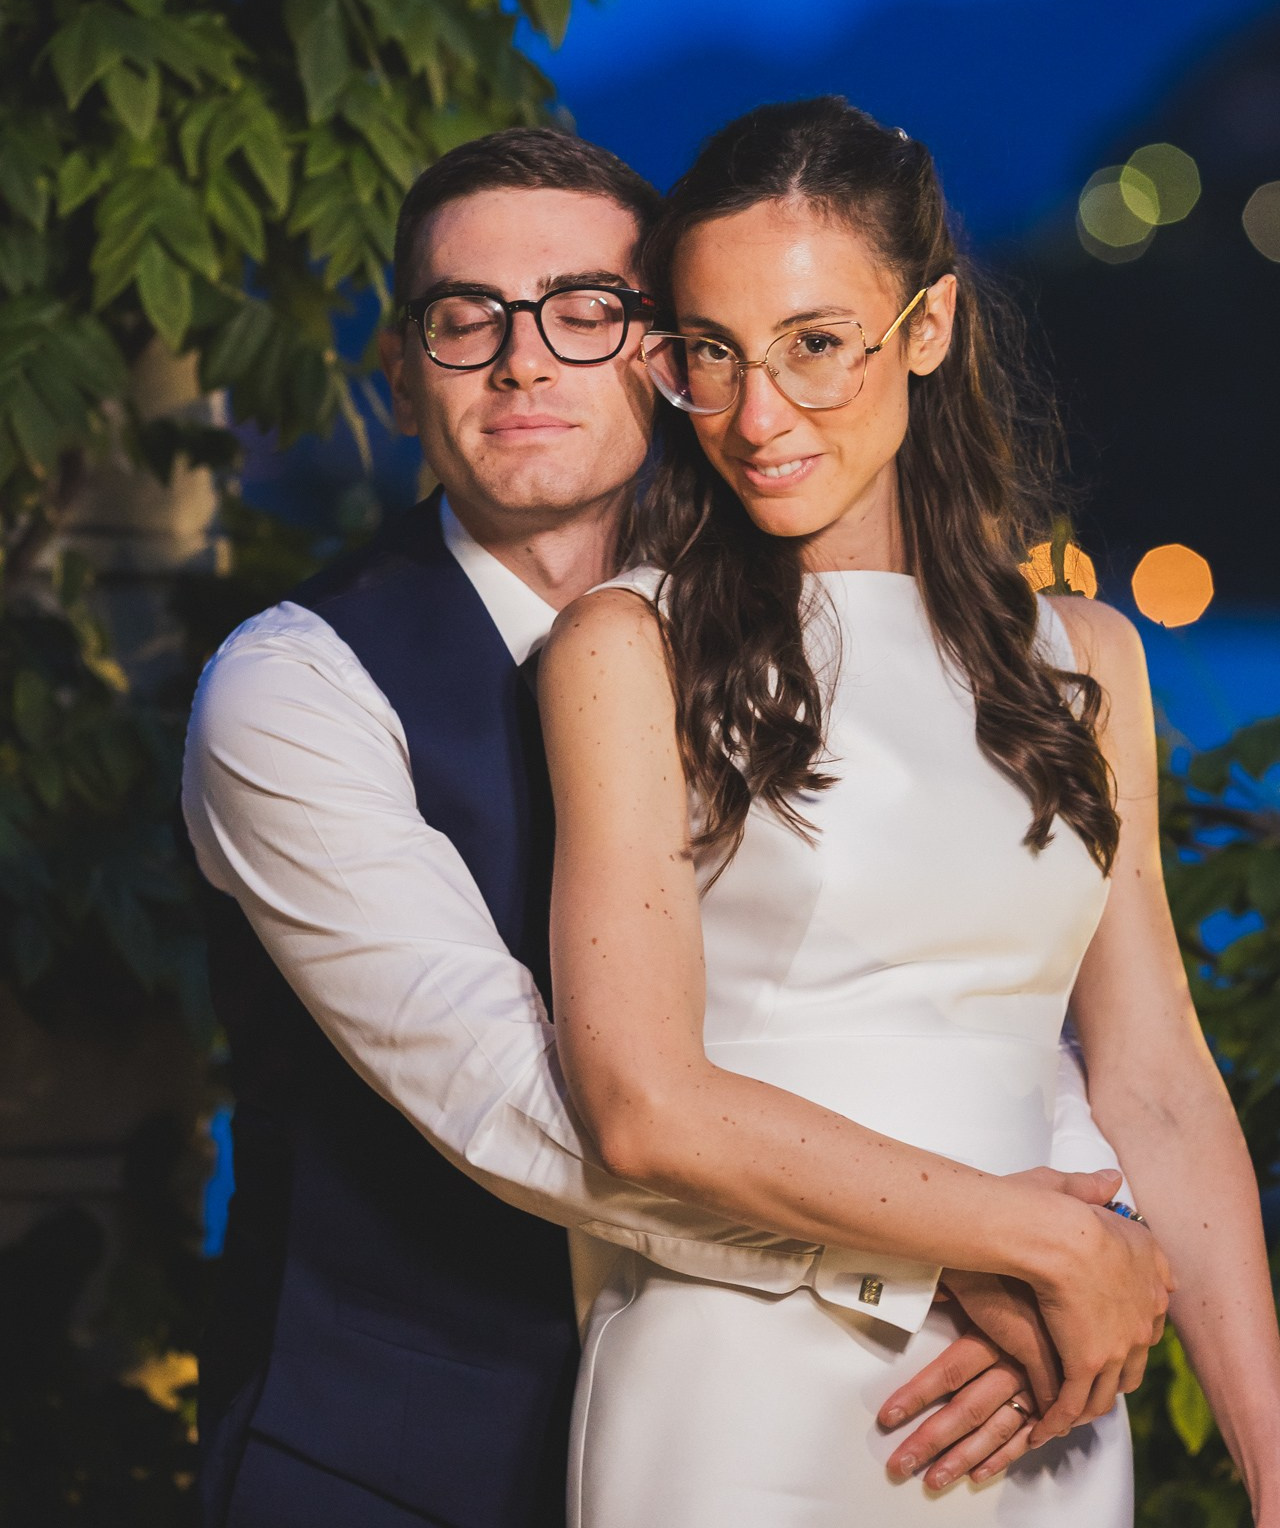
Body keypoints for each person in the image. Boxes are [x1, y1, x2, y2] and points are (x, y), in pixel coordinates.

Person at [185, 127, 1136, 1528]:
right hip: (391, 1467)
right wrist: (966, 1252)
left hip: (788, 1416)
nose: (524, 362)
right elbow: (528, 1107)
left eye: (585, 311)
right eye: (465, 320)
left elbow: (955, 993)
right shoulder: (293, 686)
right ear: (398, 376)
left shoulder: (782, 643)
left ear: (668, 354)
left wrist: (1086, 1220)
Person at [539, 98, 1280, 1525]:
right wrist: (1044, 1244)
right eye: (712, 354)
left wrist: (1270, 1465)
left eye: (816, 344)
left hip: (1042, 1399)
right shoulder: (630, 646)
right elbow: (640, 1104)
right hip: (746, 1389)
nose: (758, 415)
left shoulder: (1085, 659)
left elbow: (1160, 1087)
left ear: (927, 325)